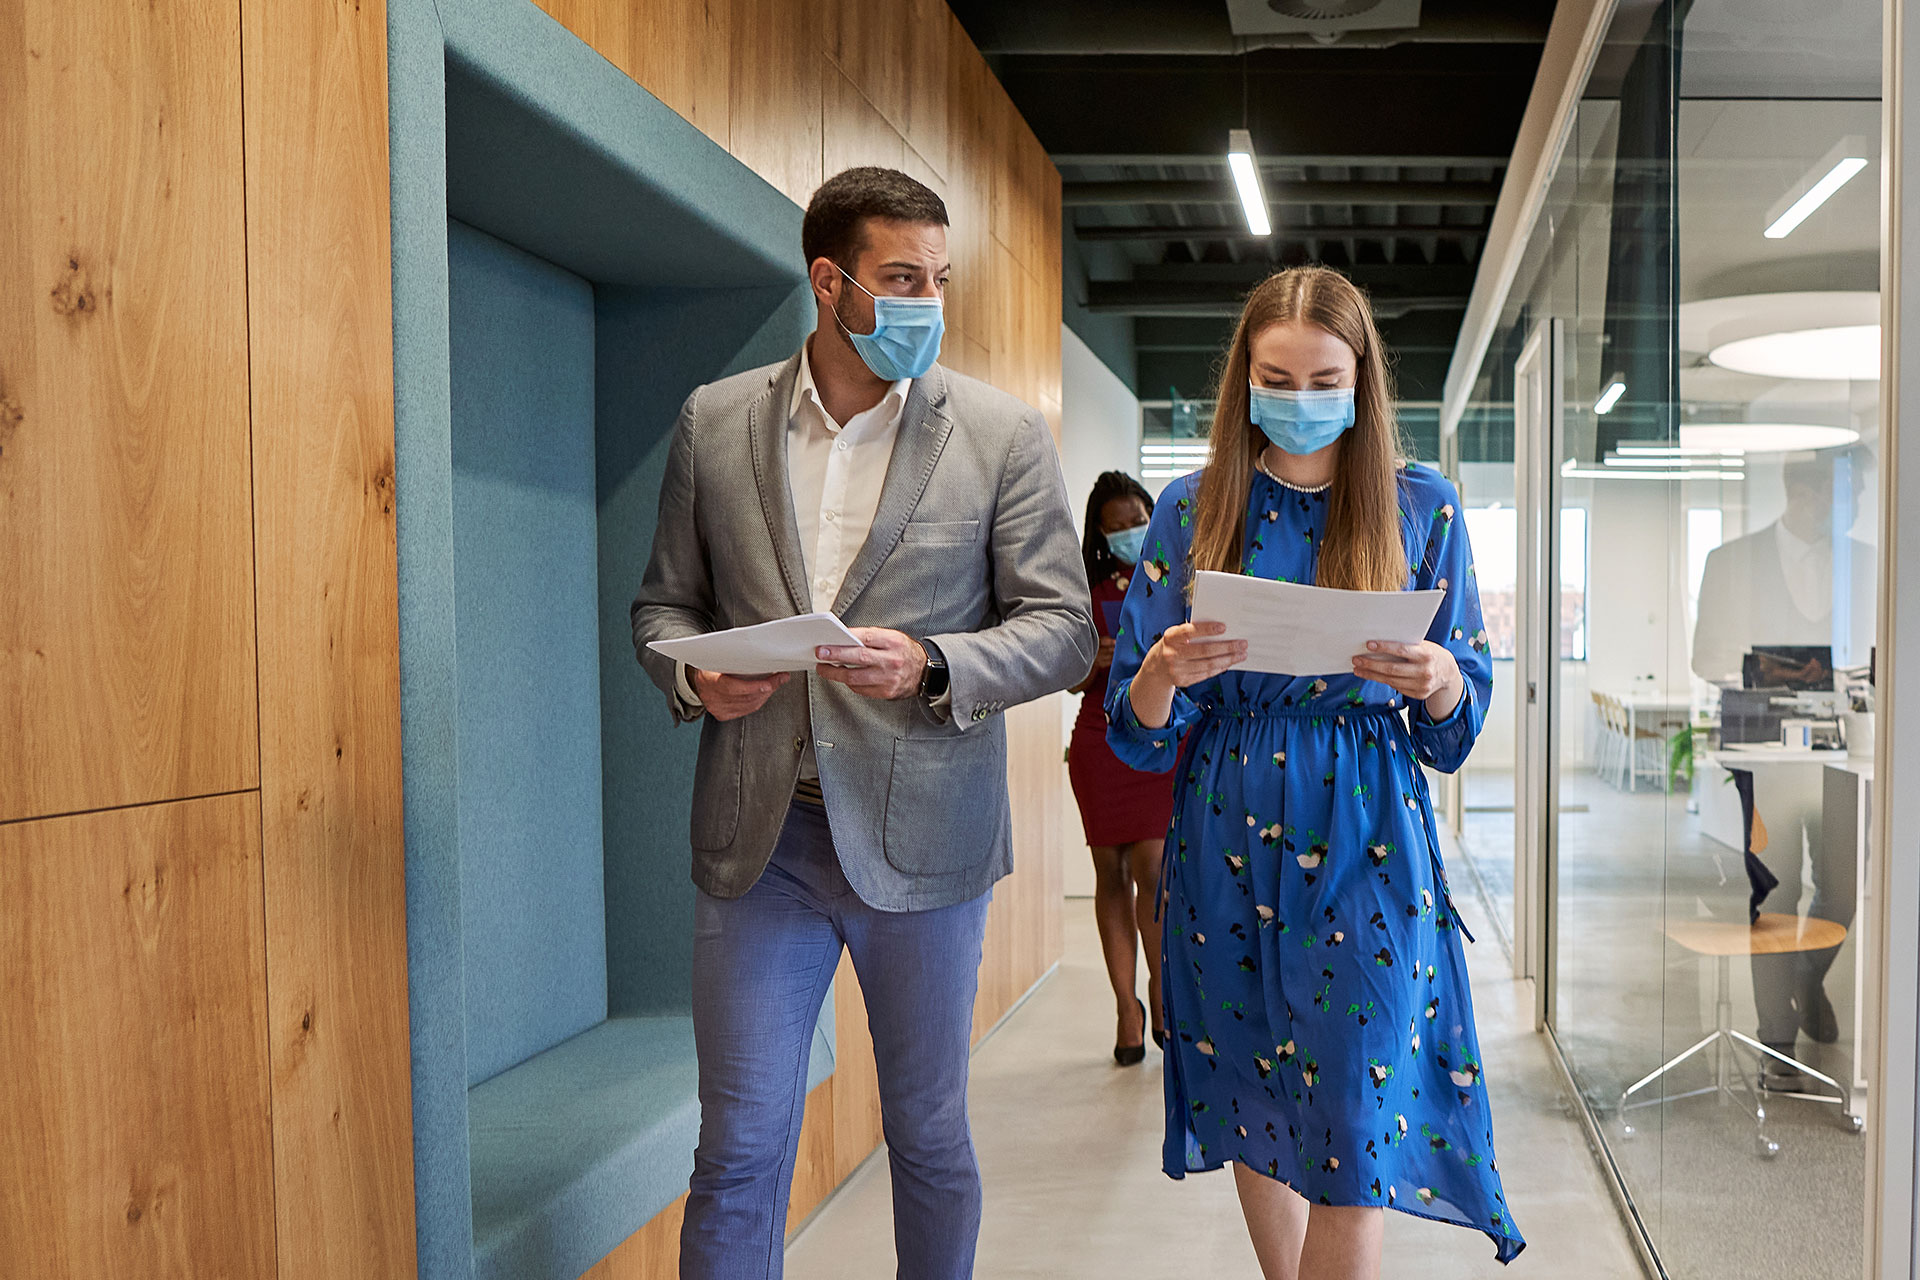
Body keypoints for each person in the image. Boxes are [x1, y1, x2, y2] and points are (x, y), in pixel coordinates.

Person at [630, 166, 1094, 1280]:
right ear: (829, 282)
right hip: (760, 845)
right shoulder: (715, 420)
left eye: (940, 277)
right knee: (737, 1148)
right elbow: (664, 604)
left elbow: (1065, 627)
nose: (928, 300)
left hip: (928, 841)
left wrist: (935, 661)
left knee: (927, 1134)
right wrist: (695, 680)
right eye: (901, 277)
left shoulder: (1001, 435)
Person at [1104, 265, 1523, 1275]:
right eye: (1275, 377)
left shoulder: (1422, 509)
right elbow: (1136, 731)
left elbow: (1455, 728)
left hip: (1370, 841)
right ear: (1243, 379)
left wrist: (1437, 682)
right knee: (1253, 1097)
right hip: (1225, 838)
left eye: (1322, 376)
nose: (1298, 400)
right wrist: (1161, 671)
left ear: (1363, 377)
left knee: (1352, 1121)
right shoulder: (1191, 509)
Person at [1691, 451, 1874, 1081]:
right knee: (1777, 891)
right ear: (1799, 486)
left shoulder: (1871, 564)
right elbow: (1705, 656)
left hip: (1848, 757)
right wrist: (1771, 670)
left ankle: (1805, 976)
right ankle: (1777, 1045)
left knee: (1845, 890)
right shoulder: (1732, 561)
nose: (1846, 504)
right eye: (1838, 489)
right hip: (1766, 759)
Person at [1067, 470, 1176, 1065]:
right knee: (1109, 873)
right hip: (1097, 737)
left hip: (1158, 737)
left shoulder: (1176, 577)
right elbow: (1067, 680)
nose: (1131, 533)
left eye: (1137, 521)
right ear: (1100, 537)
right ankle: (1125, 1008)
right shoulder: (1083, 588)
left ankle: (1162, 992)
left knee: (1153, 867)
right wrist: (1093, 658)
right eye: (1117, 529)